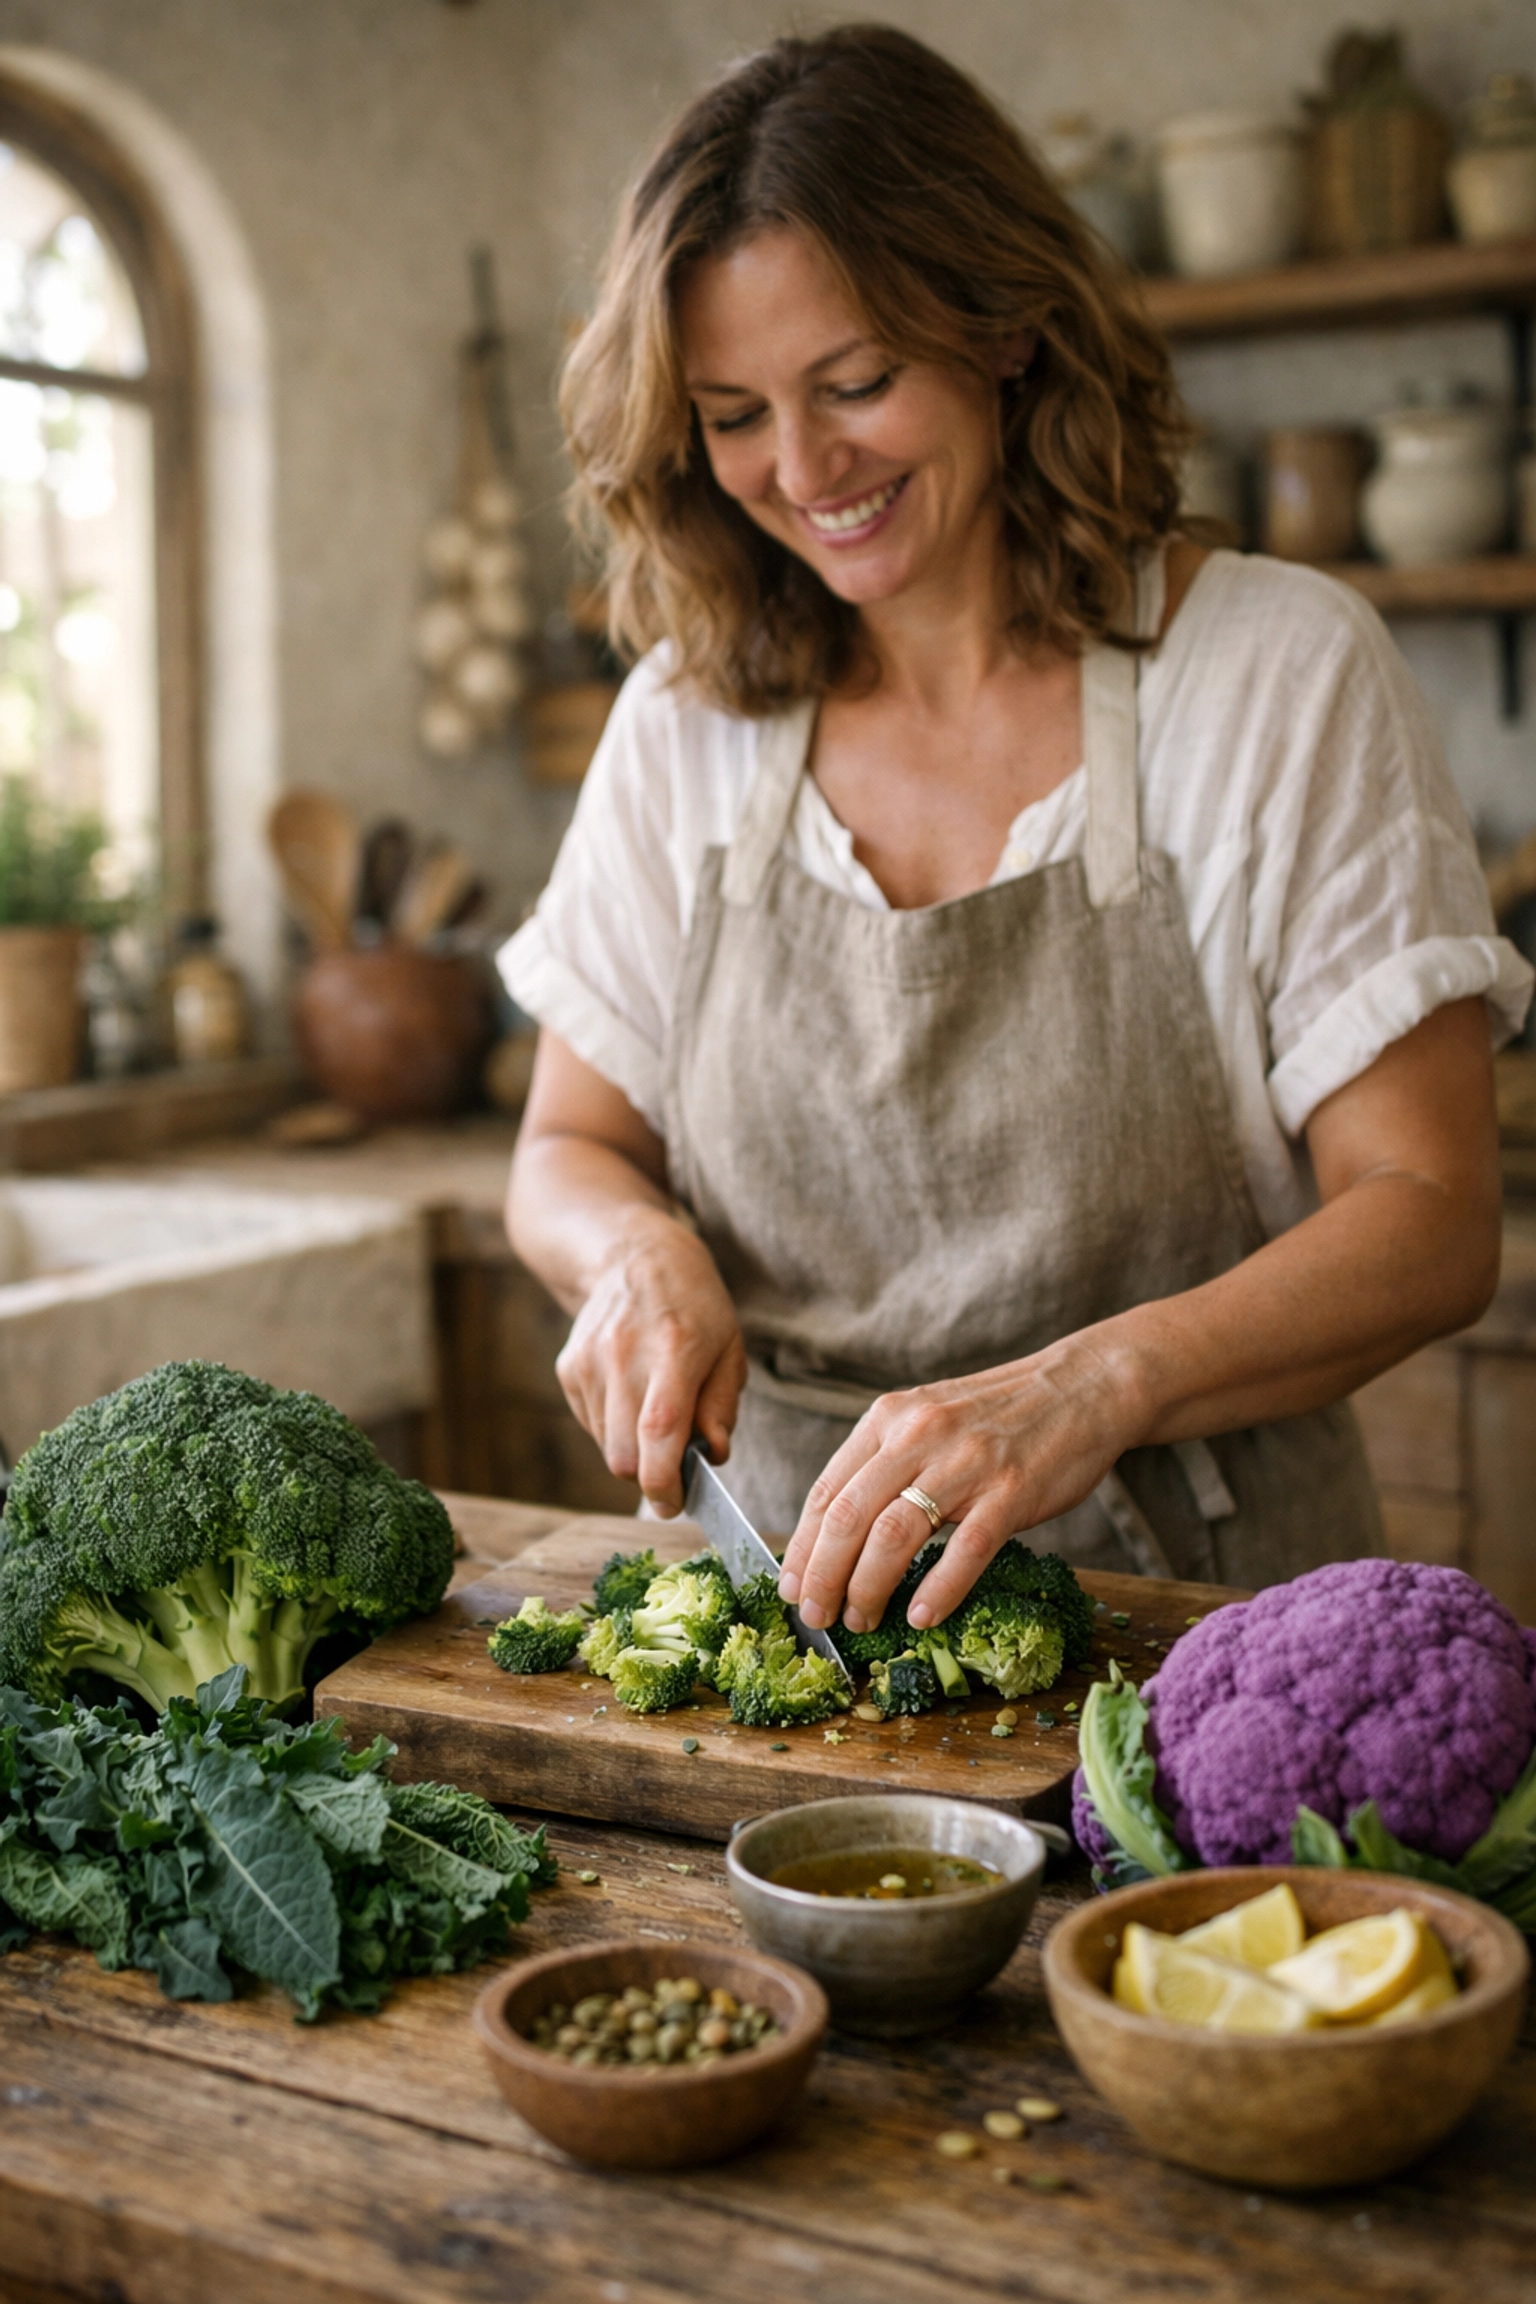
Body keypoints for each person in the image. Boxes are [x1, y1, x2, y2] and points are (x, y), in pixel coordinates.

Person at [501, 24, 1531, 1647]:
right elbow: (564, 1153)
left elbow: (1428, 1212)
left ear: (1006, 330)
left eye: (856, 383)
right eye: (734, 413)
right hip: (787, 1612)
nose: (805, 468)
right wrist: (631, 1252)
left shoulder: (1273, 671)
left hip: (1202, 1623)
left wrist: (1089, 1386)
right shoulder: (687, 725)